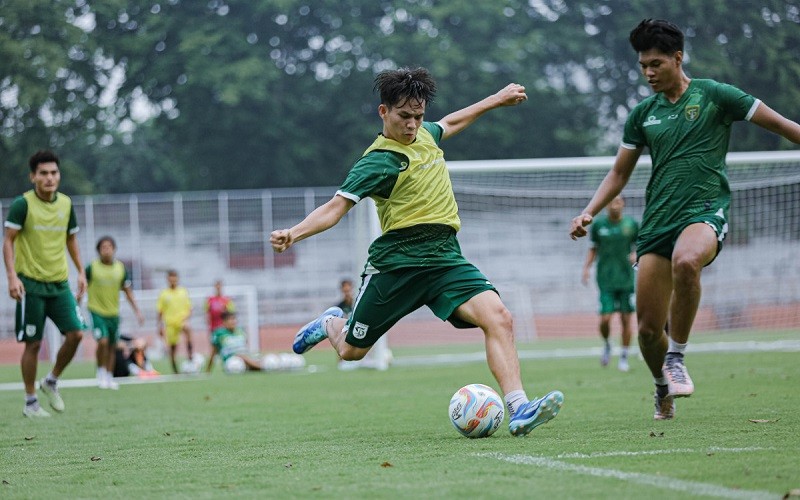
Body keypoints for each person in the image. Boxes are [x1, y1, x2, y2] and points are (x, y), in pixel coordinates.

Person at [271, 67, 564, 436]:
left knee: (499, 317)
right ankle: (329, 323)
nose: (412, 125)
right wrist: (294, 233)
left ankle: (519, 408)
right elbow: (335, 208)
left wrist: (496, 99)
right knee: (351, 351)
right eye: (404, 117)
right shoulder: (377, 161)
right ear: (383, 112)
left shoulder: (426, 134)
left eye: (418, 116)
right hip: (397, 264)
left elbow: (452, 122)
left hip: (445, 258)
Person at [569, 19, 800, 420]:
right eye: (643, 66)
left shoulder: (715, 96)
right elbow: (619, 173)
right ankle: (663, 388)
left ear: (678, 58)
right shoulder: (643, 115)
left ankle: (676, 358)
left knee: (688, 260)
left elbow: (783, 126)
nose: (648, 73)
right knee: (646, 331)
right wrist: (590, 210)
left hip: (704, 210)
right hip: (658, 221)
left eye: (656, 64)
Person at [3, 150, 86, 418]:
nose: (49, 178)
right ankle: (30, 402)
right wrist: (12, 276)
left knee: (76, 334)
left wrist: (81, 272)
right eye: (43, 173)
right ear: (33, 177)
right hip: (31, 285)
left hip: (59, 284)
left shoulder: (66, 204)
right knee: (34, 344)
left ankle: (51, 380)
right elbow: (8, 240)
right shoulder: (22, 205)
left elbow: (71, 239)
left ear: (59, 175)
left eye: (54, 173)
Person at [580, 195, 638, 372]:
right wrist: (586, 268)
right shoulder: (598, 225)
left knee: (626, 319)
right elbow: (593, 248)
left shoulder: (631, 225)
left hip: (626, 279)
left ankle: (624, 357)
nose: (614, 205)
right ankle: (607, 344)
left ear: (623, 204)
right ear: (606, 205)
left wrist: (636, 254)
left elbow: (640, 245)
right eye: (611, 202)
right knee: (605, 319)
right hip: (605, 279)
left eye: (618, 202)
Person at [86, 235, 145, 389]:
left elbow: (127, 291)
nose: (106, 250)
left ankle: (109, 376)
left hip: (113, 313)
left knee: (112, 345)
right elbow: (82, 286)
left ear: (114, 249)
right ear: (98, 250)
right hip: (97, 311)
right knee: (103, 342)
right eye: (103, 247)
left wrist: (137, 311)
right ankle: (100, 371)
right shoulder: (92, 268)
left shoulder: (120, 268)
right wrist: (76, 304)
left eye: (109, 247)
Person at [156, 269, 193, 373]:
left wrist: (187, 317)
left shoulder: (183, 291)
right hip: (170, 324)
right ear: (168, 279)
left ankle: (191, 357)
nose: (173, 280)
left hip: (182, 320)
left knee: (188, 329)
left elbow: (189, 308)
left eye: (174, 277)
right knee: (172, 348)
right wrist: (159, 326)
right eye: (171, 278)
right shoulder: (163, 294)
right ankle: (175, 371)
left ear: (177, 279)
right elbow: (160, 311)